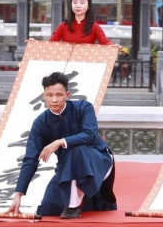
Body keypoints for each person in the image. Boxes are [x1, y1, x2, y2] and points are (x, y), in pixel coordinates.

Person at [7, 72, 116, 219]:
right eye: (49, 95)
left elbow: (90, 135)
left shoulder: (84, 107)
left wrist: (59, 142)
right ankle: (78, 202)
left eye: (59, 95)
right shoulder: (41, 122)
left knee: (75, 150)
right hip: (68, 167)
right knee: (48, 208)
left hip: (98, 159)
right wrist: (18, 194)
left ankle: (73, 207)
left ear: (67, 94)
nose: (54, 100)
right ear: (43, 96)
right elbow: (30, 159)